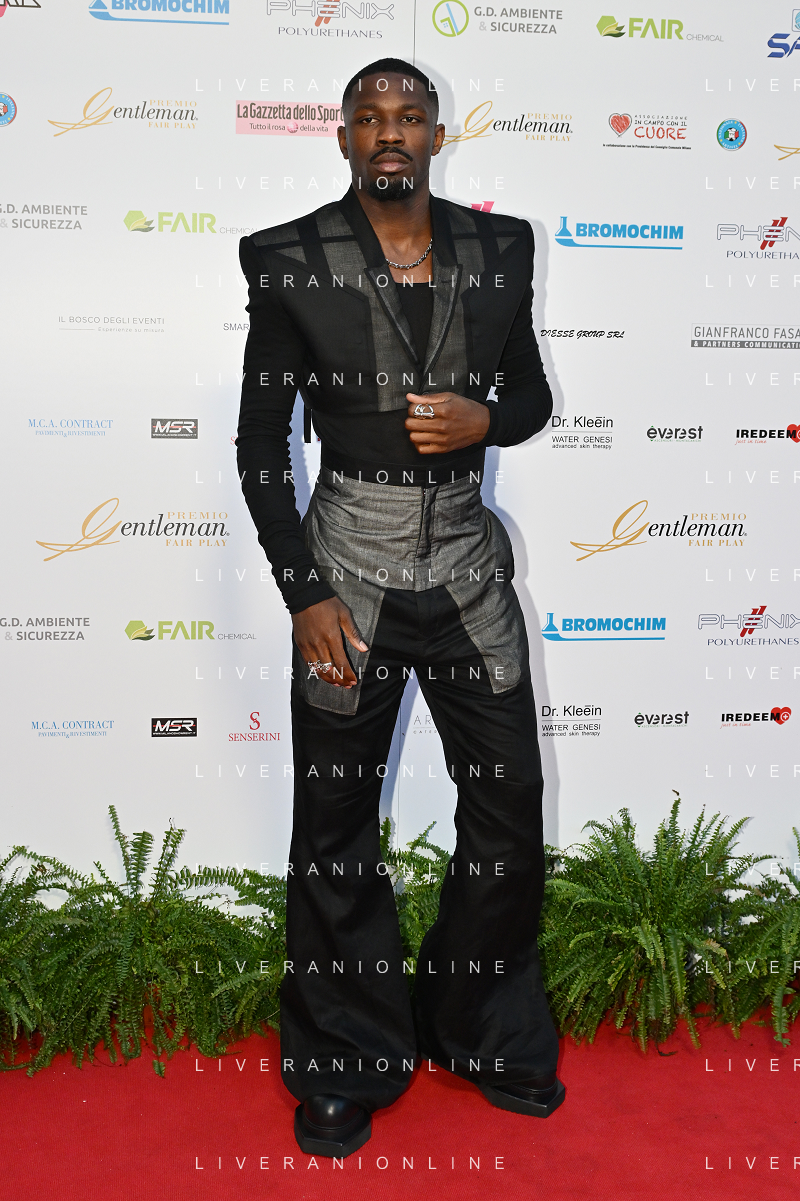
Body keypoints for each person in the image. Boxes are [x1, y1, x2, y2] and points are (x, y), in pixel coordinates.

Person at [236, 57, 563, 1158]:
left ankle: (478, 1027)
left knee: (508, 807)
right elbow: (260, 445)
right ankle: (344, 1056)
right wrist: (303, 591)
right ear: (342, 138)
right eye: (369, 117)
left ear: (435, 135)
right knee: (333, 824)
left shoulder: (500, 248)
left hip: (467, 570)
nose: (389, 132)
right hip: (348, 574)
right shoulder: (288, 258)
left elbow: (530, 393)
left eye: (408, 116)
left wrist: (485, 422)